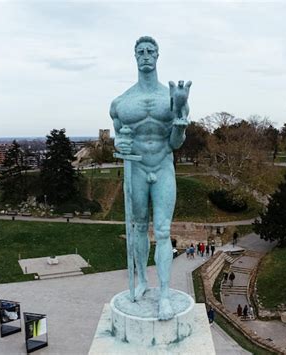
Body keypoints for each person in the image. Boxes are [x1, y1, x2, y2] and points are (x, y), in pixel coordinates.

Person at [110, 36, 191, 320]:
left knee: (164, 231)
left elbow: (176, 143)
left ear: (157, 56)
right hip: (137, 169)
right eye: (141, 51)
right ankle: (142, 280)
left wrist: (180, 119)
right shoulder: (121, 102)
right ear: (135, 57)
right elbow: (119, 138)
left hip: (163, 165)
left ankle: (165, 294)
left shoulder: (171, 98)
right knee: (137, 228)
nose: (145, 55)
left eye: (150, 51)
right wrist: (119, 145)